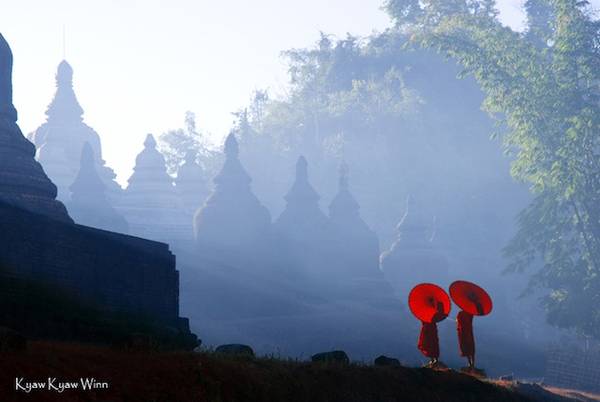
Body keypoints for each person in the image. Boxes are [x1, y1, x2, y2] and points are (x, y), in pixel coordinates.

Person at [418, 301, 447, 367]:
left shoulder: (433, 311)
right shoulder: (430, 311)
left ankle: (434, 359)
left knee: (432, 343)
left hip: (429, 329)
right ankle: (433, 359)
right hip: (428, 329)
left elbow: (424, 319)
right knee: (431, 343)